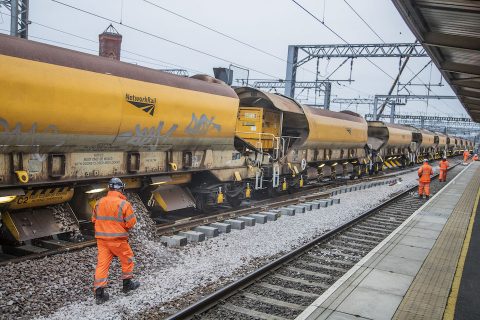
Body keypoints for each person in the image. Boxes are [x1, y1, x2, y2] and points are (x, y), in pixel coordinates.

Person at [92, 177, 140, 305]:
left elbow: (94, 220)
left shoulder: (99, 202)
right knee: (127, 258)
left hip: (102, 241)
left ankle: (99, 294)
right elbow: (131, 223)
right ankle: (127, 284)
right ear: (120, 189)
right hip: (118, 240)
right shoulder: (124, 204)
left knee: (102, 265)